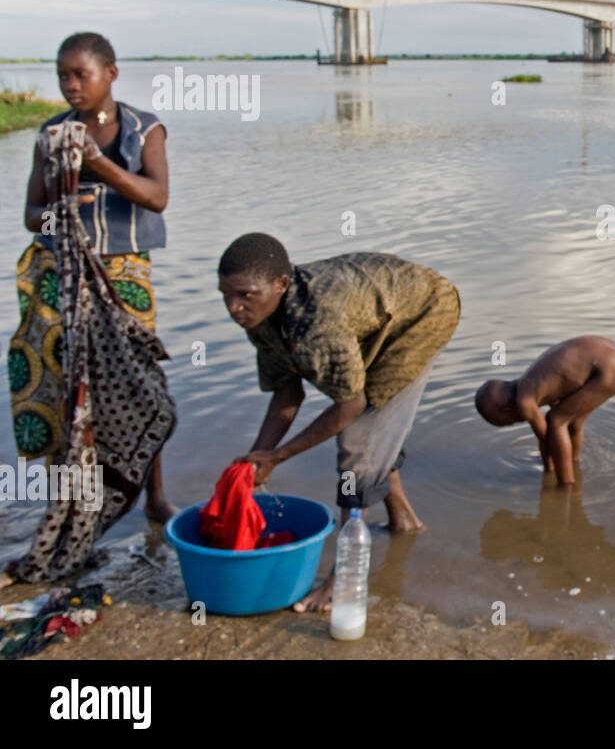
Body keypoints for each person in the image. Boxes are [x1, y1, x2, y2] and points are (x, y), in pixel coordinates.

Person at [217, 233, 460, 611]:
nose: (233, 308)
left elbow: (350, 405)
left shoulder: (316, 321)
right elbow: (287, 394)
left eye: (244, 295)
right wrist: (257, 457)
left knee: (357, 440)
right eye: (226, 295)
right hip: (378, 312)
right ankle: (404, 521)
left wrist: (280, 456)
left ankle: (345, 579)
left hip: (422, 311)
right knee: (371, 431)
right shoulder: (260, 318)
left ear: (281, 284)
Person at [10, 31, 176, 523]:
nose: (70, 85)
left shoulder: (143, 129)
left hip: (121, 269)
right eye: (63, 75)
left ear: (111, 74)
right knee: (59, 379)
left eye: (81, 74)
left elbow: (157, 196)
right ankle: (67, 501)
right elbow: (30, 214)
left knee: (136, 378)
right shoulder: (51, 133)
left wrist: (98, 164)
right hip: (58, 269)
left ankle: (154, 496)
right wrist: (57, 218)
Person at [475, 336, 615, 486]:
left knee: (557, 421)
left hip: (608, 371)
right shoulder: (534, 381)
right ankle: (573, 461)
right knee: (574, 421)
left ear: (506, 410)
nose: (519, 420)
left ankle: (566, 485)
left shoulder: (524, 401)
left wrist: (548, 468)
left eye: (510, 422)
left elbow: (546, 438)